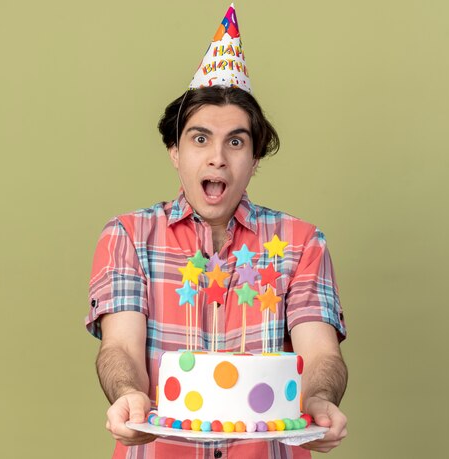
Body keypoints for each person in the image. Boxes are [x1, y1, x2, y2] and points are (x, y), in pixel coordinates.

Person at [85, 5, 348, 458]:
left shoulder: (303, 243)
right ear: (175, 150)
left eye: (236, 141)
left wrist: (320, 399)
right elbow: (120, 349)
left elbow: (322, 355)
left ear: (255, 157)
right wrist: (128, 393)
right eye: (200, 138)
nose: (218, 158)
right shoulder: (127, 237)